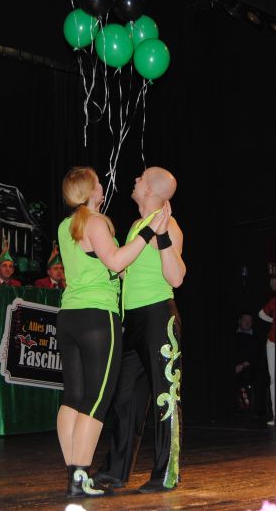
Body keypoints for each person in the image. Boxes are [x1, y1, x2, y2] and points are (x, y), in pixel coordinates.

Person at [55, 166, 168, 498]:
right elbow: (116, 262)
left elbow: (100, 267)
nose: (103, 187)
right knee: (96, 400)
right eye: (99, 184)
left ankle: (74, 475)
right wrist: (148, 233)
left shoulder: (65, 226)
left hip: (69, 316)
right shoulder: (96, 222)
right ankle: (80, 476)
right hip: (96, 318)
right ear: (90, 191)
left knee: (73, 397)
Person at [95, 166, 185, 494]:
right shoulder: (137, 225)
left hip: (159, 317)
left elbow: (176, 277)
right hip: (132, 320)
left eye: (140, 178)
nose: (134, 180)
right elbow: (127, 271)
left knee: (166, 397)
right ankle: (115, 472)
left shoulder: (168, 224)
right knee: (124, 399)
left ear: (148, 189)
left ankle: (166, 474)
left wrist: (162, 237)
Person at [258, 261, 276, 426]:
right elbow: (261, 314)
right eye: (273, 283)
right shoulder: (274, 301)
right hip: (272, 342)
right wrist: (273, 321)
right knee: (273, 379)